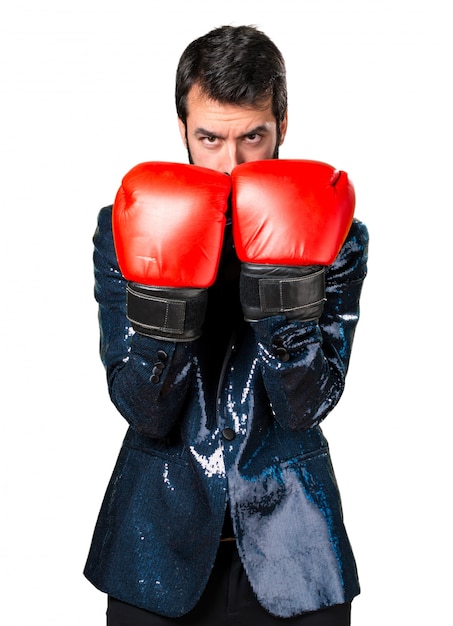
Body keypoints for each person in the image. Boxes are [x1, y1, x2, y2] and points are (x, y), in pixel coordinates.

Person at [84, 24, 369, 626]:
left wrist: (280, 288)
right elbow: (144, 410)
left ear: (282, 127)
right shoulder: (126, 228)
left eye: (252, 138)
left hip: (295, 548)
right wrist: (171, 293)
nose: (231, 162)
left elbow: (306, 407)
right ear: (183, 129)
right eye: (210, 138)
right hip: (153, 548)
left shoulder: (334, 234)